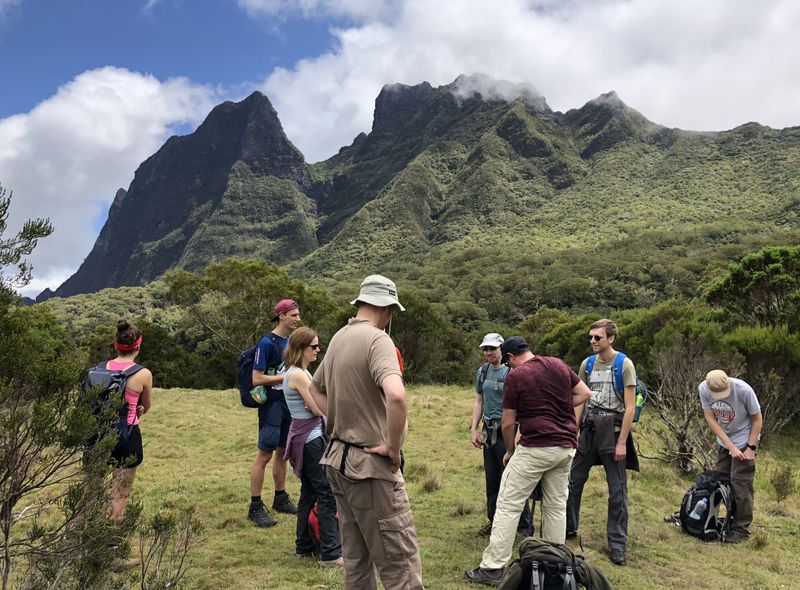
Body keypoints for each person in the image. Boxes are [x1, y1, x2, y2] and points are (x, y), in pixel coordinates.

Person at [310, 275, 423, 590]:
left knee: (357, 564)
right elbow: (397, 395)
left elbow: (314, 388)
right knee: (401, 568)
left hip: (337, 461)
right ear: (386, 308)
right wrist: (392, 446)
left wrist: (340, 420)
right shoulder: (378, 340)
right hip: (370, 470)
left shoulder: (338, 338)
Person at [465, 336, 591, 586]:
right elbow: (584, 393)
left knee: (509, 503)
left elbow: (508, 422)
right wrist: (560, 409)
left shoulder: (516, 375)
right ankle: (555, 563)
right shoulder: (557, 364)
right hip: (565, 446)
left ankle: (493, 566)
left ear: (510, 357)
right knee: (555, 505)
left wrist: (510, 450)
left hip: (536, 445)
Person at [566, 319, 639, 566]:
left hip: (614, 431)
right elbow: (580, 399)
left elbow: (629, 408)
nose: (593, 341)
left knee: (617, 490)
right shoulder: (587, 364)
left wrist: (622, 442)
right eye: (591, 337)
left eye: (597, 337)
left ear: (611, 338)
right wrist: (572, 431)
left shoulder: (624, 365)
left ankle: (617, 544)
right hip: (588, 431)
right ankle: (568, 528)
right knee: (573, 480)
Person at [282, 327, 343, 566]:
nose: (318, 350)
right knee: (326, 493)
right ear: (300, 349)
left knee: (309, 492)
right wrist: (319, 406)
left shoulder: (300, 373)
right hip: (310, 440)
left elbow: (314, 405)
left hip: (307, 436)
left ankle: (304, 546)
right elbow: (317, 408)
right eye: (313, 347)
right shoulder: (298, 375)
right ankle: (331, 553)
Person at [470, 333, 532, 538]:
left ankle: (523, 527)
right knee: (493, 478)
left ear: (502, 351)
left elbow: (523, 405)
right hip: (490, 431)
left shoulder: (512, 371)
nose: (489, 353)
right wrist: (474, 429)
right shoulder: (483, 371)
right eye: (485, 349)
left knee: (513, 479)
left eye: (493, 349)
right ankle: (494, 521)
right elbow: (479, 401)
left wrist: (517, 437)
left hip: (509, 430)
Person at [247, 299, 301, 528]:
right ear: (282, 316)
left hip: (287, 402)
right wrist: (286, 378)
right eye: (294, 315)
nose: (298, 319)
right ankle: (255, 506)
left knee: (283, 452)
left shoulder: (290, 341)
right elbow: (256, 378)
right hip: (271, 404)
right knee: (265, 454)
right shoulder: (267, 343)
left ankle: (280, 497)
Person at [699, 369, 762, 543]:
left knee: (740, 484)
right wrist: (729, 446)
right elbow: (710, 418)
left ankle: (741, 530)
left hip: (745, 439)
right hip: (725, 441)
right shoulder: (703, 389)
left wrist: (750, 448)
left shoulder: (744, 390)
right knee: (720, 481)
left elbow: (757, 419)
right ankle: (713, 521)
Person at [105, 319, 153, 521]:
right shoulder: (143, 374)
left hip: (99, 432)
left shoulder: (102, 367)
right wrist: (138, 408)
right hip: (128, 433)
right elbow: (146, 405)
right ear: (138, 347)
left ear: (116, 345)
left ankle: (82, 530)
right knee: (122, 487)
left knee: (90, 485)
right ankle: (112, 531)